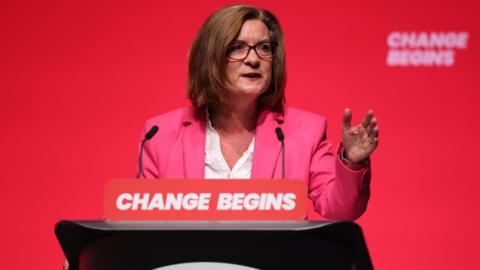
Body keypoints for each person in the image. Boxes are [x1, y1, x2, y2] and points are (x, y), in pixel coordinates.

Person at [139, 4, 379, 221]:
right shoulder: (161, 134)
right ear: (210, 58)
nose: (253, 59)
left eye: (264, 48)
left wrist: (352, 160)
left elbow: (340, 209)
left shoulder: (304, 131)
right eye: (237, 47)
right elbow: (142, 223)